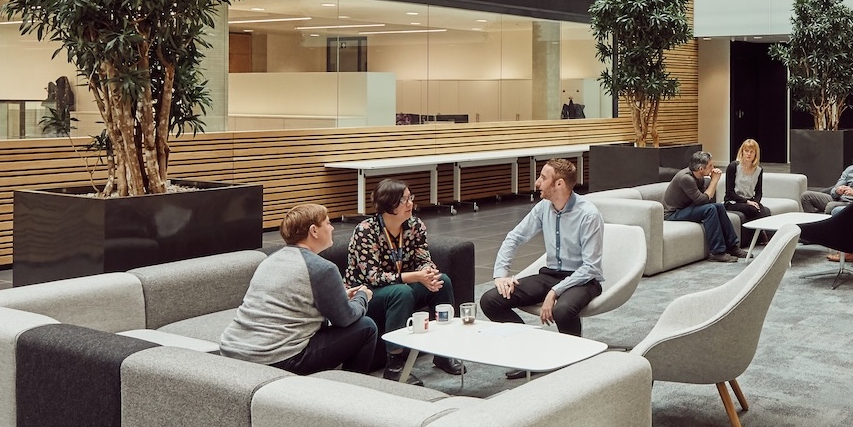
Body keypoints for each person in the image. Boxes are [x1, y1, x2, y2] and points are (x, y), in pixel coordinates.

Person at [220, 204, 383, 375]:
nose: (332, 227)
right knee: (366, 327)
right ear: (314, 231)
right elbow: (345, 319)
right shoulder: (322, 268)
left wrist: (340, 296)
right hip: (275, 358)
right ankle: (350, 392)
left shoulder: (270, 260)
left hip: (233, 349)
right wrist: (363, 296)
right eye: (327, 223)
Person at [482, 159, 604, 379]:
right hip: (551, 275)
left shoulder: (588, 214)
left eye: (543, 178)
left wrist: (555, 292)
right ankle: (530, 353)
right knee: (491, 300)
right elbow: (515, 237)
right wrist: (501, 274)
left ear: (559, 184)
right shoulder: (542, 208)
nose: (538, 182)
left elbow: (591, 267)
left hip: (583, 280)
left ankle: (572, 361)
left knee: (562, 310)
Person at [345, 179, 463, 380]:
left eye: (410, 198)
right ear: (389, 205)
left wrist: (428, 274)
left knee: (443, 282)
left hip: (401, 287)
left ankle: (443, 353)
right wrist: (415, 276)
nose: (411, 204)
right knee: (402, 291)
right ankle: (394, 365)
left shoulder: (415, 225)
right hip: (367, 295)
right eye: (405, 200)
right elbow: (372, 277)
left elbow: (423, 258)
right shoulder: (366, 231)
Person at [664, 151, 747, 263]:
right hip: (673, 213)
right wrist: (714, 180)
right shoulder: (686, 178)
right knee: (710, 209)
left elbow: (707, 197)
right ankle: (716, 252)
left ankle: (732, 247)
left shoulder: (699, 176)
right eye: (710, 166)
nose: (713, 168)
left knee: (719, 207)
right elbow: (702, 200)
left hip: (687, 207)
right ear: (701, 169)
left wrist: (712, 182)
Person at [800, 140, 853, 214]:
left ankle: (827, 228)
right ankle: (814, 223)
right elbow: (834, 190)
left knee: (831, 206)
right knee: (806, 196)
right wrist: (838, 190)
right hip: (840, 199)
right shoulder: (850, 169)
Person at [724, 139, 772, 223]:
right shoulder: (733, 166)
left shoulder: (759, 170)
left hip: (750, 200)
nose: (748, 154)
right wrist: (747, 202)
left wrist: (755, 202)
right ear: (742, 152)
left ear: (755, 154)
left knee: (765, 212)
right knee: (753, 210)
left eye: (752, 152)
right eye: (746, 151)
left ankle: (763, 235)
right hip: (733, 201)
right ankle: (761, 235)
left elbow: (759, 192)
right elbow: (729, 192)